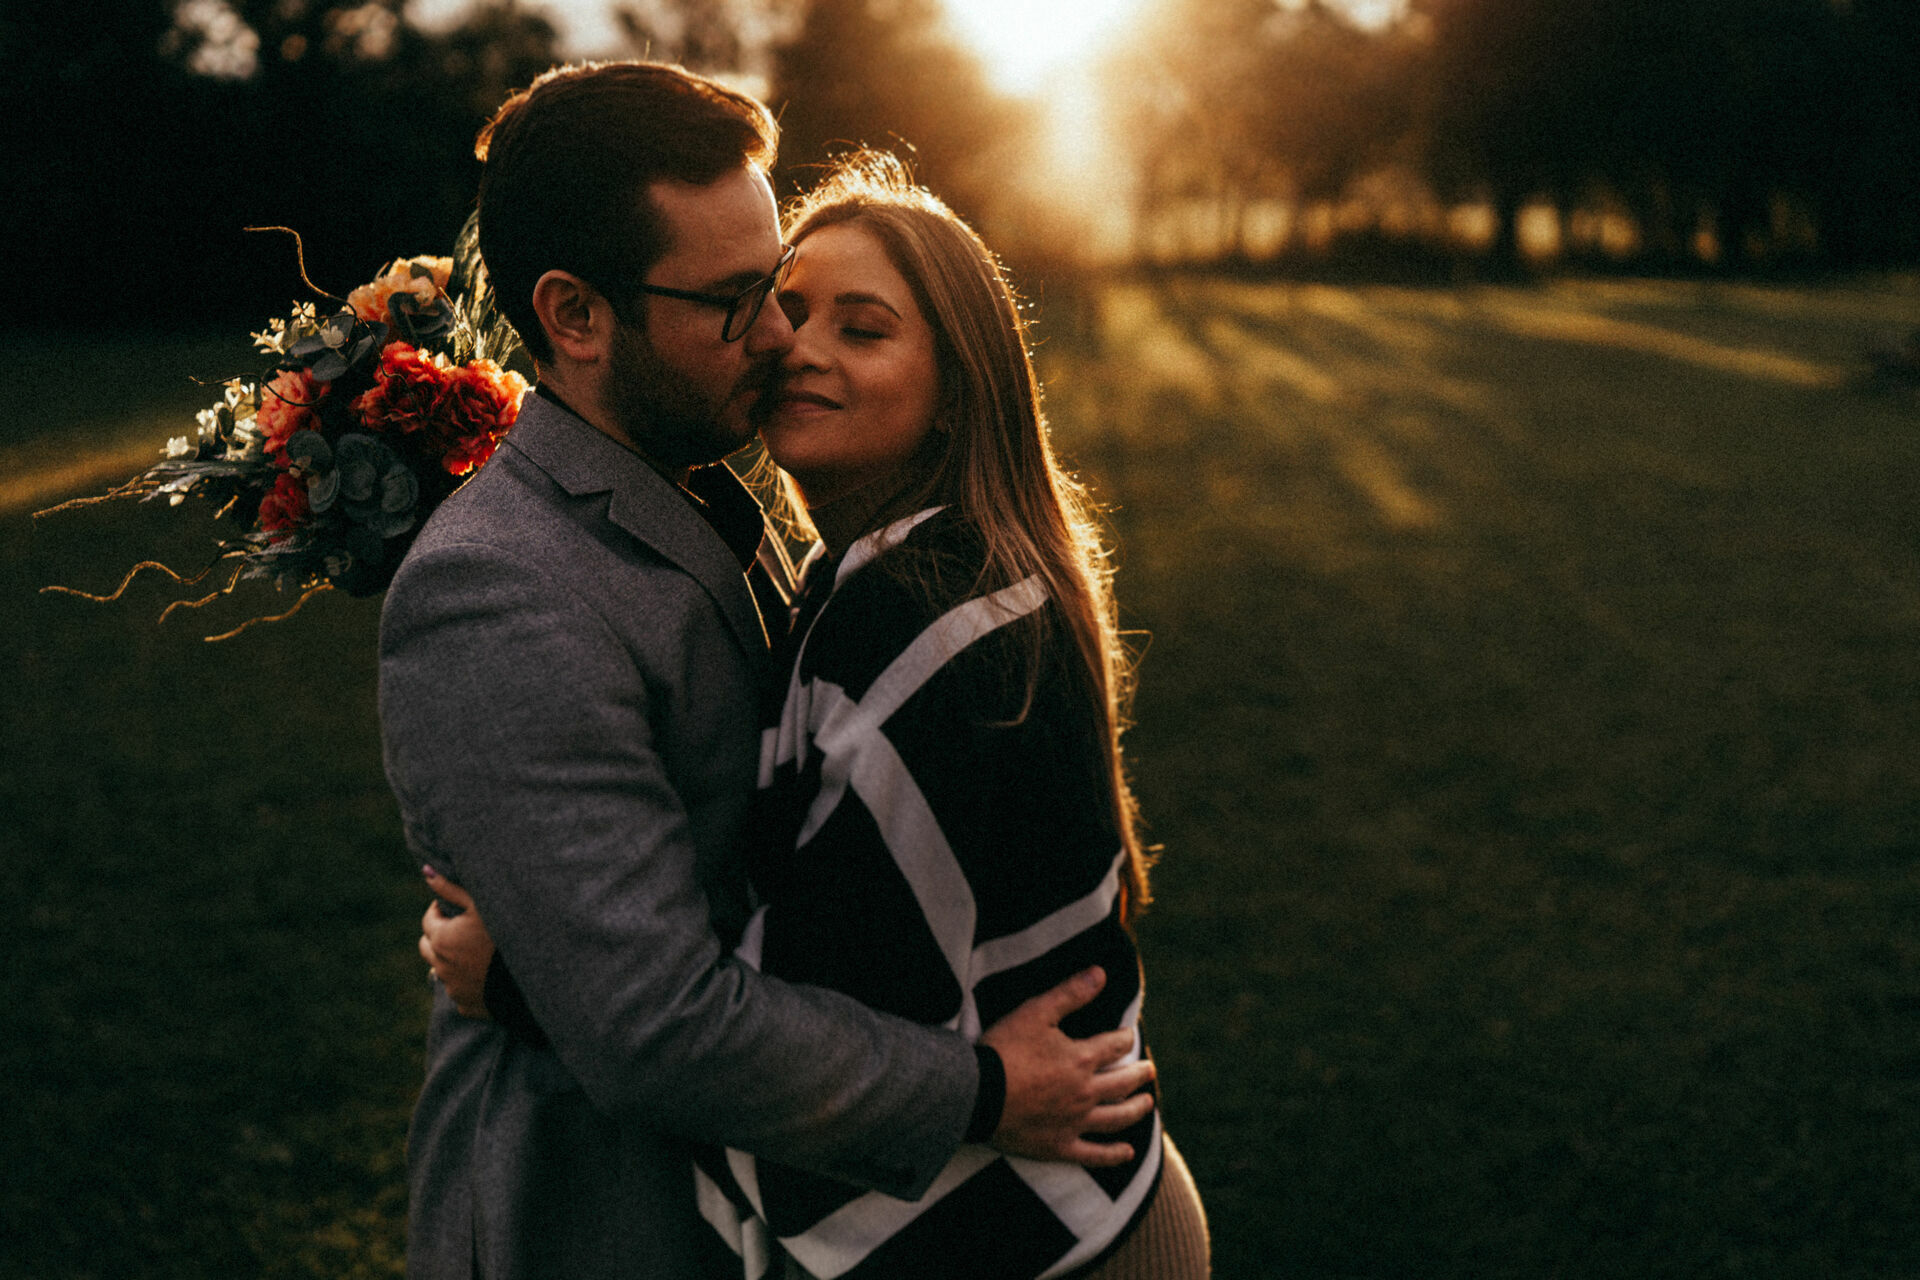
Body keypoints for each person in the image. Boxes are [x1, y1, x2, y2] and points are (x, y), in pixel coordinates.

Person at [380, 62, 1155, 1280]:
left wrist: (527, 971)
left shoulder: (734, 492)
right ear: (576, 317)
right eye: (743, 301)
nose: (784, 337)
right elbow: (650, 1025)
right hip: (595, 1214)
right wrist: (982, 1086)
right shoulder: (496, 590)